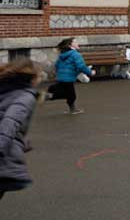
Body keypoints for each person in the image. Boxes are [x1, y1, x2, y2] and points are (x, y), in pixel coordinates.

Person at [0, 59, 42, 202]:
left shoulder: (4, 89)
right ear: (33, 78)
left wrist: (21, 143)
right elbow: (10, 121)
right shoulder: (25, 96)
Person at [50, 38, 93, 114]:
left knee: (68, 94)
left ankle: (71, 108)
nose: (78, 43)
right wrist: (90, 72)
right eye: (75, 42)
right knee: (70, 95)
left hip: (61, 77)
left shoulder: (62, 54)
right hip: (68, 78)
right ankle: (48, 96)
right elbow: (81, 66)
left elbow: (57, 65)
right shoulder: (75, 54)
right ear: (70, 45)